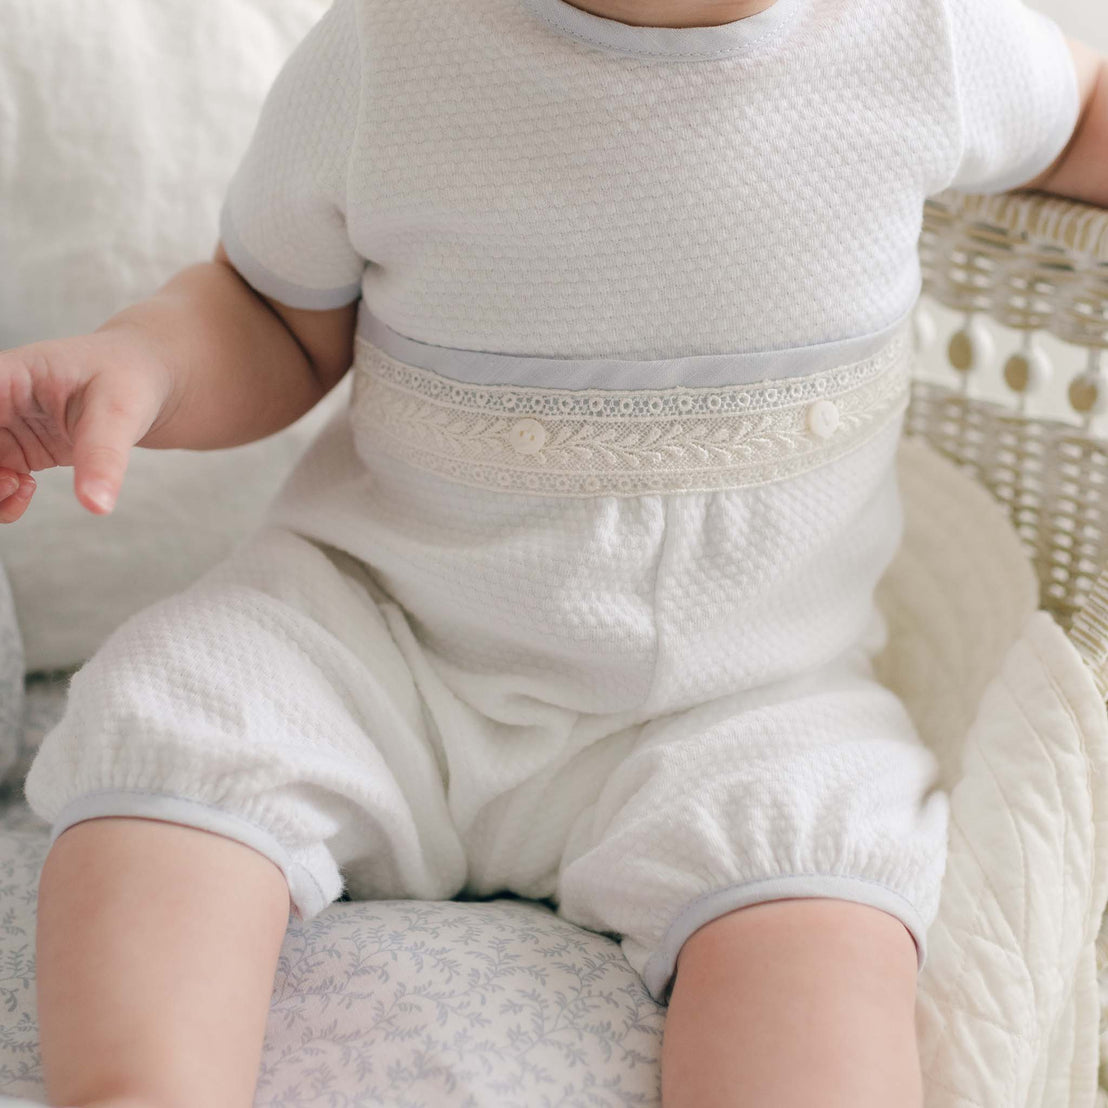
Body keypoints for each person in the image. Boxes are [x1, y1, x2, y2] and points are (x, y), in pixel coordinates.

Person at [2, 0, 1104, 1104]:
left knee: (824, 906)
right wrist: (143, 363)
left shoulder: (929, 39)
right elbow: (275, 318)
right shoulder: (394, 48)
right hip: (386, 639)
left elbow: (1080, 112)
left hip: (746, 699)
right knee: (184, 708)